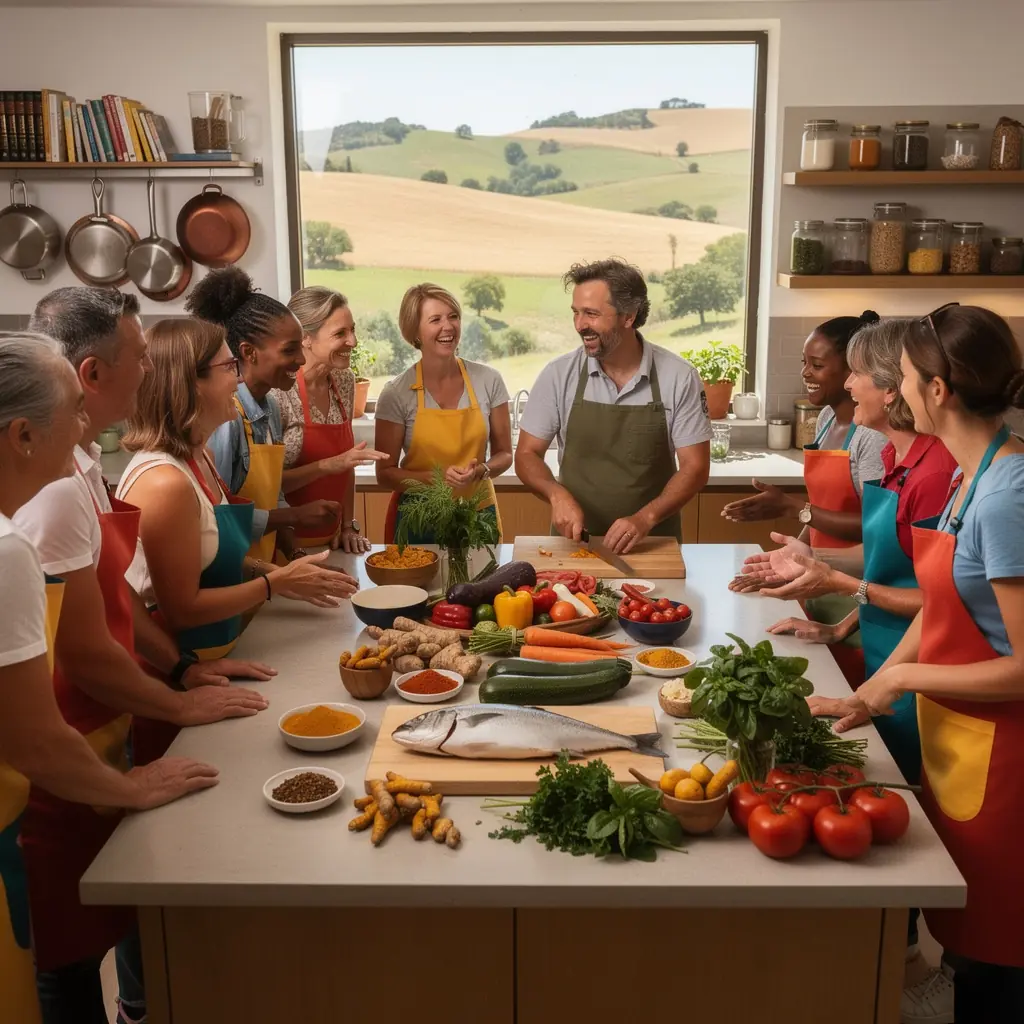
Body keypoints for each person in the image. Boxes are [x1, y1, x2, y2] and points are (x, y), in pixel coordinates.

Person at [14, 288, 273, 1024]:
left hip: (100, 727)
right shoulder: (58, 494)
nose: (148, 366)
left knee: (110, 921)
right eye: (137, 355)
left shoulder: (82, 464)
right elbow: (86, 652)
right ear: (93, 375)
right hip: (57, 746)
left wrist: (184, 676)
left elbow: (116, 607)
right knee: (63, 953)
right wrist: (181, 701)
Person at [832, 304, 1024, 1023]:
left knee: (1000, 965)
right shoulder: (969, 479)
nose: (897, 388)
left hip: (1007, 763)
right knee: (972, 947)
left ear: (937, 390)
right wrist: (870, 695)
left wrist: (902, 677)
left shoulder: (1008, 495)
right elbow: (942, 609)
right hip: (964, 745)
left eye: (906, 376)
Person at [115, 318, 358, 764]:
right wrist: (276, 585)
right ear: (190, 384)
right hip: (171, 674)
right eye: (229, 366)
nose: (239, 377)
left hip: (212, 654)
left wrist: (279, 572)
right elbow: (182, 607)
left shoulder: (198, 456)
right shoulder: (164, 482)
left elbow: (217, 550)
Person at [740, 318, 958, 783]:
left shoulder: (936, 473)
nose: (848, 383)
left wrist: (839, 581)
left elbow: (942, 602)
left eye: (856, 373)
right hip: (883, 656)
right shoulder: (892, 459)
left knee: (908, 793)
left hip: (916, 671)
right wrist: (827, 598)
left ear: (893, 390)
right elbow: (888, 562)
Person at [515, 258, 710, 551]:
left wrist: (645, 519)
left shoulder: (678, 377)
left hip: (651, 544)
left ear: (628, 316)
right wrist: (555, 494)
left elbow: (695, 467)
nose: (580, 325)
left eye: (591, 314)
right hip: (573, 545)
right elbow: (527, 454)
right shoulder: (558, 375)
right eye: (576, 313)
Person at [196, 268, 341, 561]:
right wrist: (298, 516)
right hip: (230, 572)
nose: (301, 360)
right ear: (249, 352)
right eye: (289, 350)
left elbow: (274, 497)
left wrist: (297, 557)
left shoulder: (269, 408)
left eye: (299, 348)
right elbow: (217, 519)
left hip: (263, 568)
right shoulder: (228, 419)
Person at [723, 311, 888, 548]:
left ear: (854, 371)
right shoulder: (825, 419)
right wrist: (794, 553)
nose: (805, 372)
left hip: (857, 574)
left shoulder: (872, 436)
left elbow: (873, 526)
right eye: (805, 362)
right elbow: (819, 513)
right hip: (820, 570)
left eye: (817, 365)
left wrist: (793, 508)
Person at [375, 283, 512, 542]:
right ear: (415, 332)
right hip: (418, 518)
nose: (447, 327)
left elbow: (504, 454)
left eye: (453, 317)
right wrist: (438, 479)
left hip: (477, 516)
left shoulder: (488, 380)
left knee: (483, 583)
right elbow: (385, 473)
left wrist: (481, 469)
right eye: (435, 319)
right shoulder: (396, 393)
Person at [275, 287, 388, 551]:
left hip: (332, 541)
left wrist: (348, 526)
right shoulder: (278, 391)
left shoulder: (343, 382)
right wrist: (328, 465)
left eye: (353, 330)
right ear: (305, 338)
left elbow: (346, 464)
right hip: (283, 546)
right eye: (340, 333)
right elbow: (267, 484)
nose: (353, 342)